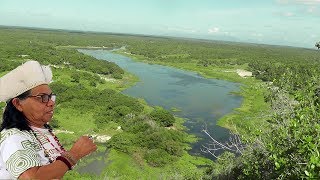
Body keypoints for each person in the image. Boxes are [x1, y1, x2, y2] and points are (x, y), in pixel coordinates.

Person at [0, 60, 97, 179]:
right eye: (42, 97)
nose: (51, 103)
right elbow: (30, 178)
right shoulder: (14, 138)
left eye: (51, 97)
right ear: (18, 104)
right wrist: (74, 154)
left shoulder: (40, 129)